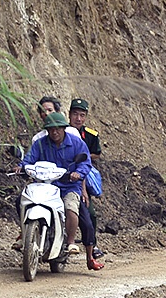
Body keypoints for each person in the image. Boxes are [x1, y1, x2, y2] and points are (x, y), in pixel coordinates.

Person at [21, 112, 102, 270]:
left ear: (64, 128)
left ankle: (70, 242)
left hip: (68, 186)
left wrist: (77, 173)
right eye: (51, 129)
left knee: (71, 207)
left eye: (58, 129)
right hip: (45, 185)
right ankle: (23, 236)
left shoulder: (77, 143)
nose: (54, 132)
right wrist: (21, 167)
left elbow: (85, 162)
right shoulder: (40, 144)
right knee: (22, 201)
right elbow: (29, 159)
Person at [68, 97, 106, 259]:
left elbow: (97, 153)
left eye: (82, 115)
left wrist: (82, 156)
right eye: (75, 114)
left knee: (89, 212)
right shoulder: (60, 132)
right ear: (69, 114)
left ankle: (91, 244)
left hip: (79, 175)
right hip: (60, 175)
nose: (78, 118)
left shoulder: (90, 135)